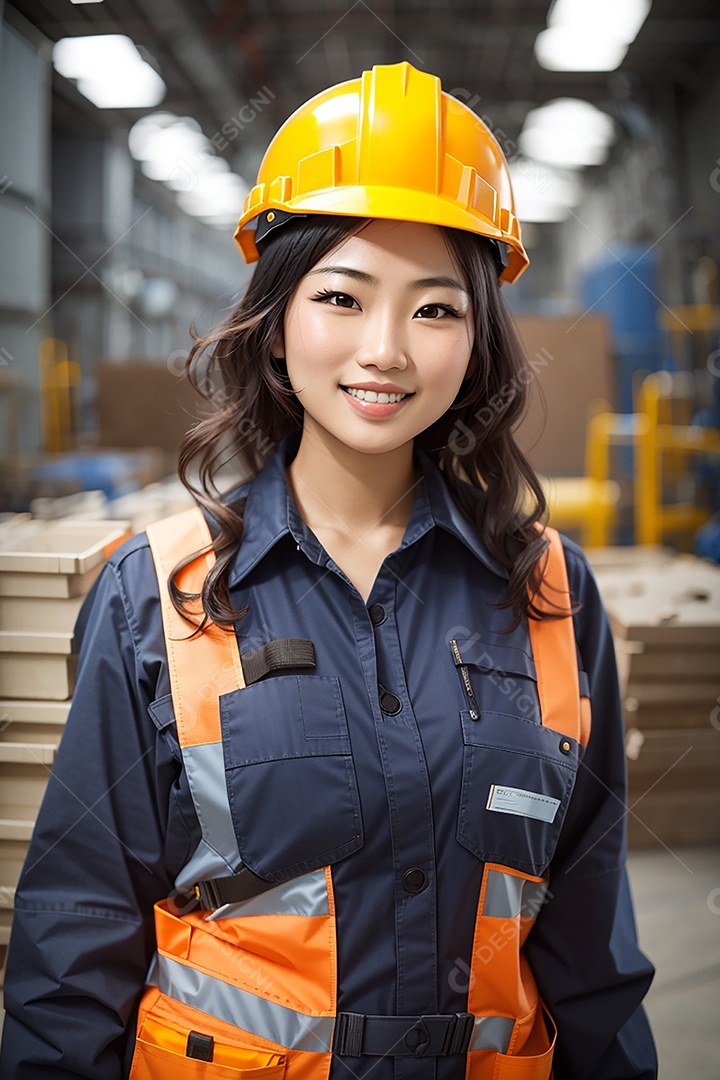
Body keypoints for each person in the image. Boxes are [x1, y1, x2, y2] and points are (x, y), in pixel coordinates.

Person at [0, 61, 657, 1080]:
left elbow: (590, 946)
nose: (386, 349)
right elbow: (74, 938)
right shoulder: (158, 596)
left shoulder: (553, 598)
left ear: (479, 338)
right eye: (343, 296)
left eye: (435, 309)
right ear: (276, 321)